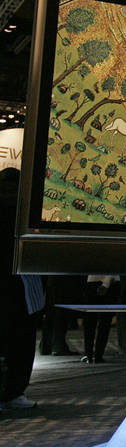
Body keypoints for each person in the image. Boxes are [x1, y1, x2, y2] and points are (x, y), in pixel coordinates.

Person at [0, 167, 44, 410]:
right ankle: (14, 392)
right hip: (24, 288)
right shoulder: (25, 212)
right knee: (22, 343)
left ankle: (10, 392)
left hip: (18, 288)